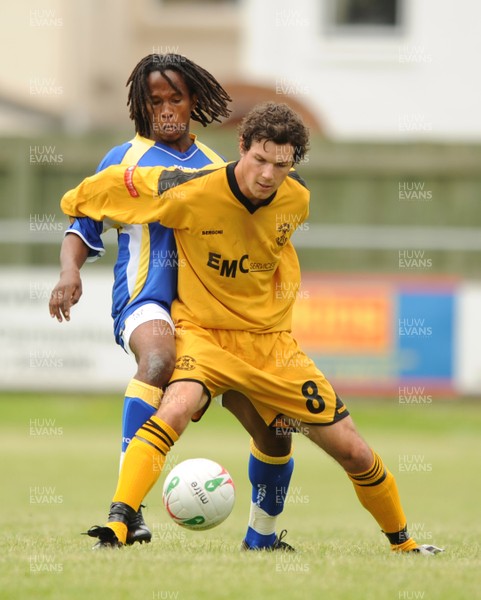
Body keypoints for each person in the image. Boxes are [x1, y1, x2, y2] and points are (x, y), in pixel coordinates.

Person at [60, 101, 443, 555]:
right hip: (203, 333)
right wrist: (73, 210)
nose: (267, 174)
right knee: (176, 406)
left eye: (280, 165)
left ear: (292, 164)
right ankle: (119, 522)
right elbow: (99, 192)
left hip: (271, 346)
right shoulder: (187, 190)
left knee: (352, 451)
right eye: (259, 159)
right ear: (241, 148)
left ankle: (403, 543)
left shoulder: (296, 199)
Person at [49, 55, 294, 551]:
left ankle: (262, 537)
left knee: (275, 425)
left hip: (212, 317)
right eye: (153, 100)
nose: (164, 109)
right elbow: (84, 223)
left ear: (193, 102)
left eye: (174, 98)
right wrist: (70, 271)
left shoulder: (215, 168)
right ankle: (129, 511)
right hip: (145, 301)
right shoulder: (123, 160)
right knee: (157, 359)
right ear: (140, 106)